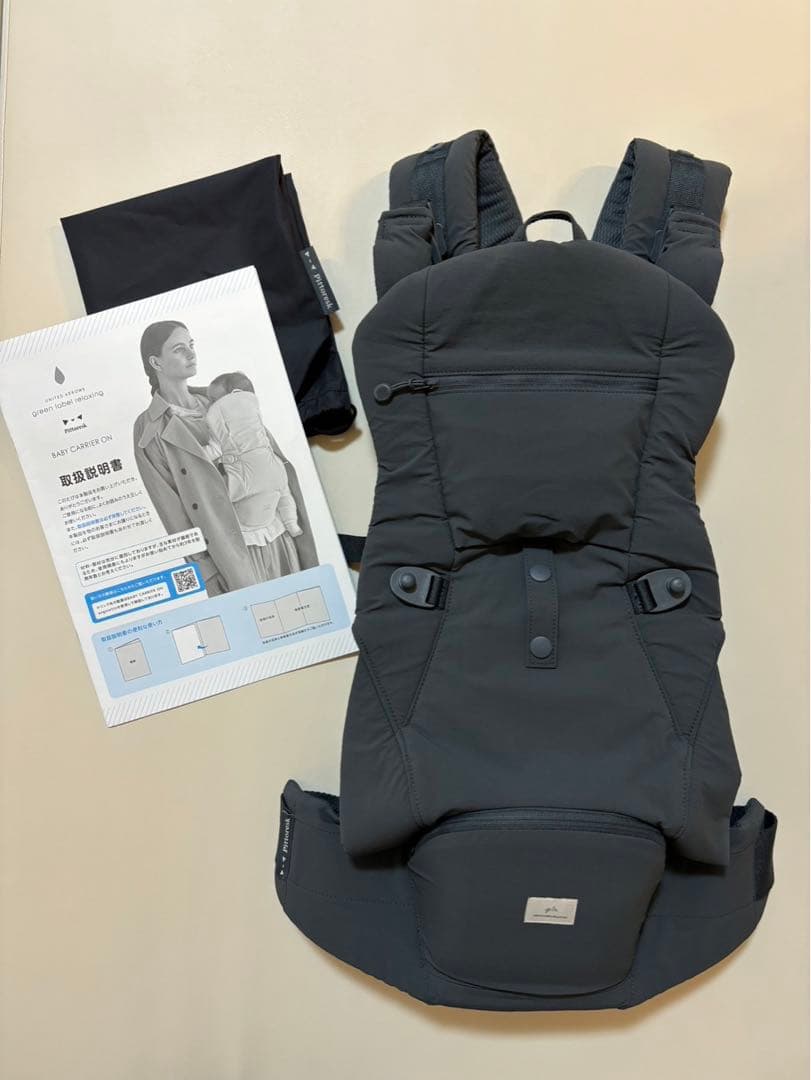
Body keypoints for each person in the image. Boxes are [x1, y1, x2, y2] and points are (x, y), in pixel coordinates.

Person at [132, 321, 316, 596]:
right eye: (179, 349)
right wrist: (207, 572)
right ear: (156, 362)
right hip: (233, 558)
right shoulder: (149, 429)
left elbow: (266, 453)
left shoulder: (222, 398)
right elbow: (172, 512)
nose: (191, 353)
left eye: (191, 345)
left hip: (280, 535)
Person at [205, 371, 303, 579]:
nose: (208, 406)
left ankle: (290, 522)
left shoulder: (224, 429)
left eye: (213, 400)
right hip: (269, 487)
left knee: (230, 495)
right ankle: (291, 522)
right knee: (283, 494)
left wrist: (198, 456)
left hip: (255, 519)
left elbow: (212, 450)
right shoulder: (256, 428)